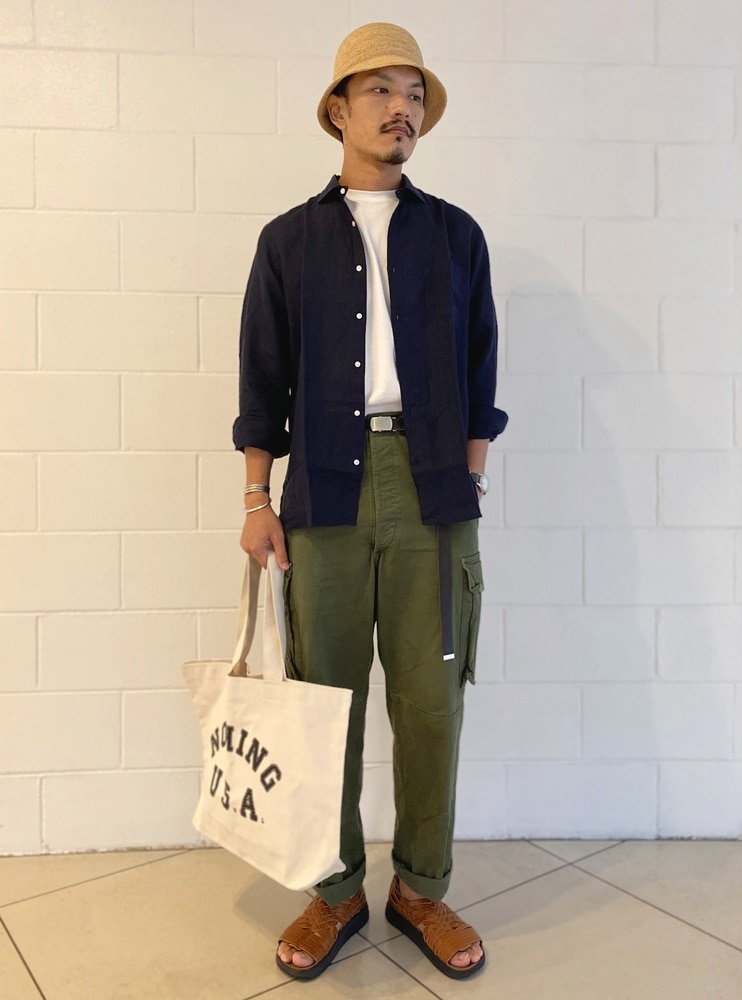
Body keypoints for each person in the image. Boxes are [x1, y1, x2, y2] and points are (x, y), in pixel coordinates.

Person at [233, 22, 508, 981]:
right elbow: (262, 380)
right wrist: (256, 496)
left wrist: (470, 475)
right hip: (325, 490)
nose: (403, 109)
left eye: (415, 94)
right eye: (383, 90)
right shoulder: (288, 241)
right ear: (339, 111)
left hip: (435, 490)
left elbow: (482, 370)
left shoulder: (455, 235)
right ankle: (336, 890)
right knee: (326, 703)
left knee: (431, 702)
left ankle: (421, 887)